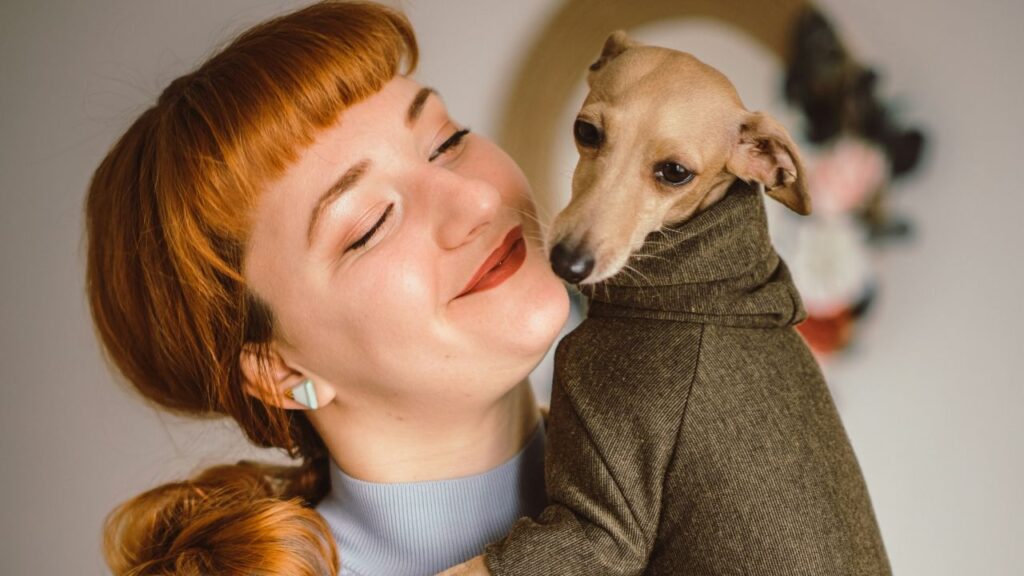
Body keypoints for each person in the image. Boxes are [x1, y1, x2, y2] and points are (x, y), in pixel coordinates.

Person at [85, 2, 569, 575]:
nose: (479, 201)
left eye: (447, 141)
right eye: (370, 224)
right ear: (281, 373)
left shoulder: (677, 458)